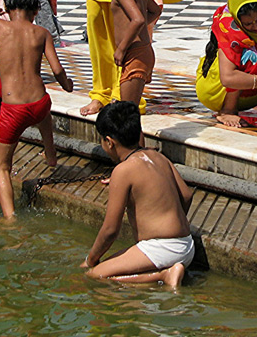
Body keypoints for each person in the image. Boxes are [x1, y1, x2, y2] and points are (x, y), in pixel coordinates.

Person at [0, 0, 74, 218]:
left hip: (13, 109)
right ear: (36, 11)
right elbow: (57, 69)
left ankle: (10, 217)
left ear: (8, 8)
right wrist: (67, 86)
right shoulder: (42, 33)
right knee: (43, 114)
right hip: (39, 102)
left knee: (1, 166)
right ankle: (51, 157)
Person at [82, 101, 195, 287]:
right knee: (110, 266)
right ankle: (166, 270)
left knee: (95, 275)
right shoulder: (159, 157)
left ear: (109, 142)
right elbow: (187, 195)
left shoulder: (123, 170)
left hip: (162, 249)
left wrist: (91, 259)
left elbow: (110, 230)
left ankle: (163, 275)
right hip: (186, 244)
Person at [99, 0, 161, 106]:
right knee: (128, 112)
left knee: (128, 112)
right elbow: (155, 10)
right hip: (142, 51)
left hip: (134, 55)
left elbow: (138, 19)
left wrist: (121, 48)